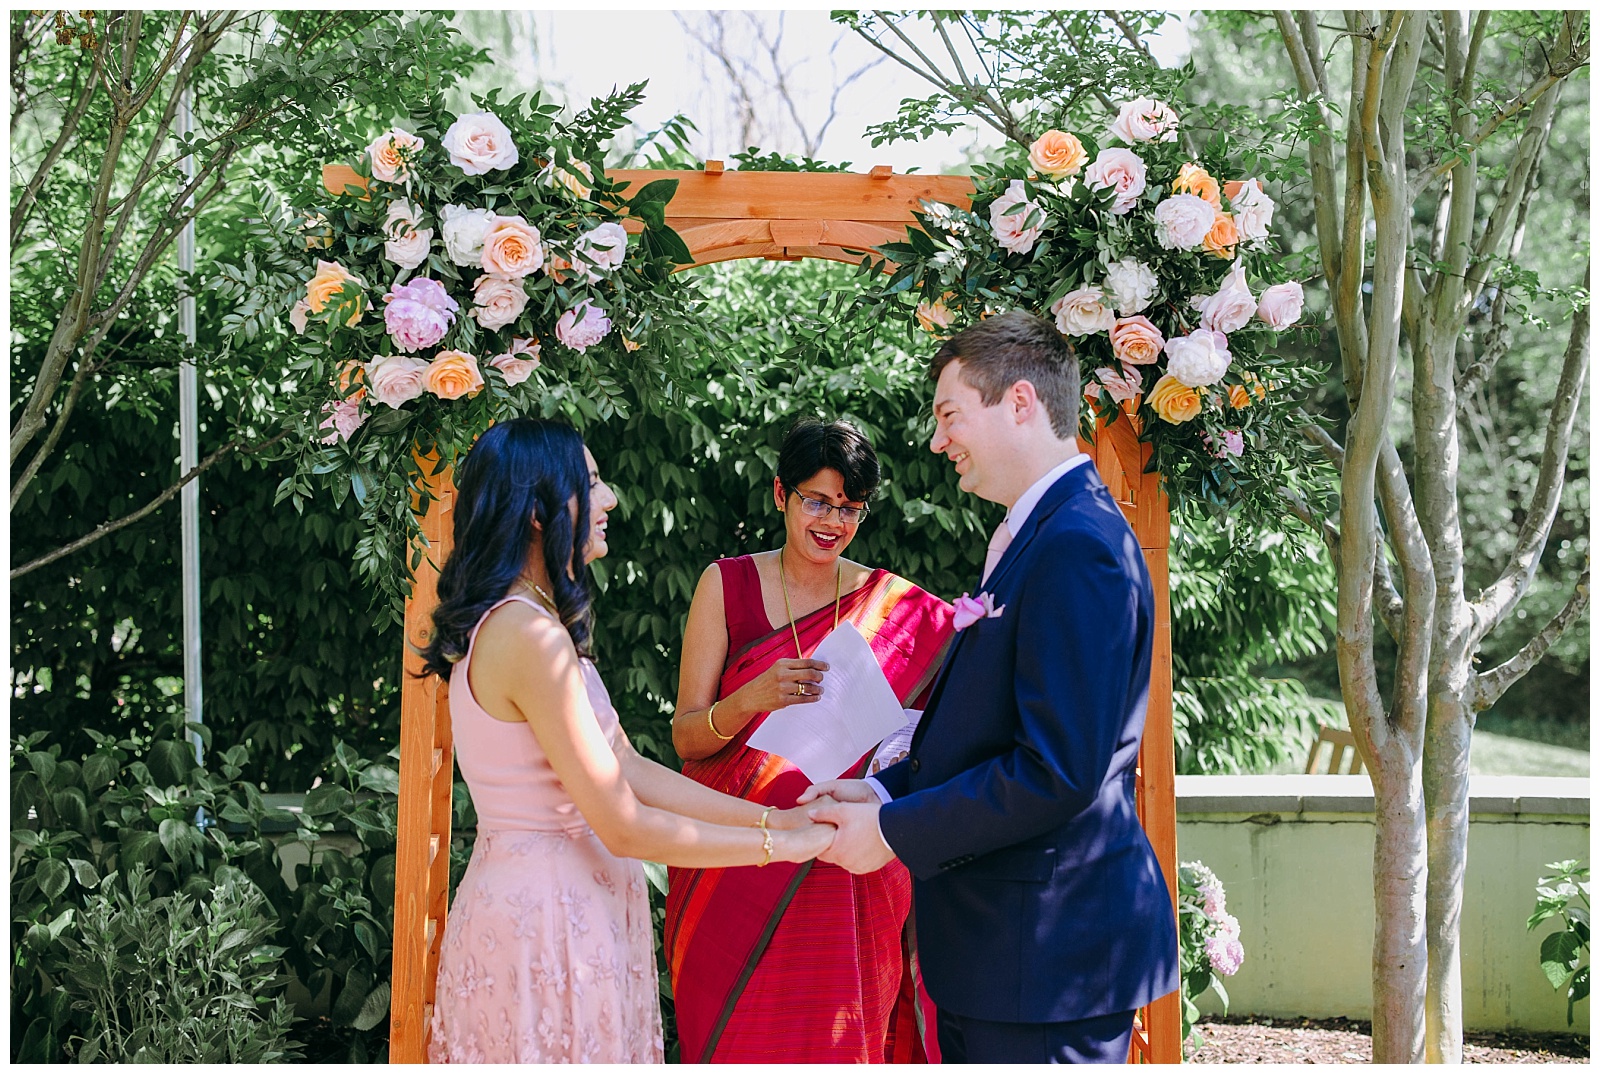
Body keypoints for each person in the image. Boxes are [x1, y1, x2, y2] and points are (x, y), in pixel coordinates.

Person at [802, 312, 1180, 1064]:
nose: (938, 441)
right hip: (1009, 955)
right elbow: (996, 728)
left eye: (949, 416)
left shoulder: (1078, 546)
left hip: (1046, 957)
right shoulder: (1040, 533)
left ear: (1018, 403)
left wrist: (889, 833)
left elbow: (1057, 769)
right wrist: (886, 793)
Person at [419, 418, 836, 1064]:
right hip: (543, 924)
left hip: (567, 911)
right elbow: (622, 824)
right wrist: (781, 845)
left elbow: (628, 768)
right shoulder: (526, 636)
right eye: (591, 483)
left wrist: (776, 816)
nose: (610, 498)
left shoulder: (531, 622)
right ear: (537, 510)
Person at [663, 418, 955, 1064]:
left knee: (841, 1039)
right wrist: (750, 700)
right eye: (816, 501)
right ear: (780, 495)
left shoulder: (891, 606)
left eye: (850, 508)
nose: (833, 522)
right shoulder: (728, 585)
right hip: (735, 859)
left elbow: (939, 734)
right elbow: (686, 733)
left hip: (846, 870)